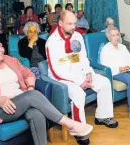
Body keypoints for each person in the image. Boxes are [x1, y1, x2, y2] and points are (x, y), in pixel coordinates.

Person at [0, 38, 93, 145]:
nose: (1, 49)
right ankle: (71, 125)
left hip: (22, 101)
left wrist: (29, 87)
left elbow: (28, 73)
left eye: (1, 46)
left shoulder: (9, 60)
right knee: (32, 96)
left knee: (36, 113)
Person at [46, 10, 118, 145]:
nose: (73, 27)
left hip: (80, 73)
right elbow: (56, 70)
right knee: (78, 93)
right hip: (61, 78)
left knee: (104, 82)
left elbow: (83, 58)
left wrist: (89, 73)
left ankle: (103, 116)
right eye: (69, 24)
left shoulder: (77, 36)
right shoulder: (52, 42)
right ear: (60, 23)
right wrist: (80, 81)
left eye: (74, 23)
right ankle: (79, 130)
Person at [100, 27, 130, 125]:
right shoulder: (106, 49)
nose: (116, 37)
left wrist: (128, 66)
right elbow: (104, 65)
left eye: (117, 35)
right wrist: (119, 68)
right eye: (113, 35)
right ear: (109, 38)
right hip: (116, 72)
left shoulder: (123, 47)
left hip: (128, 69)